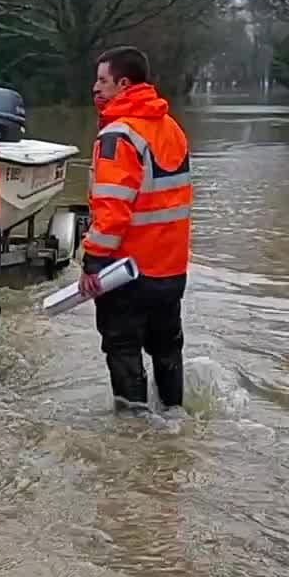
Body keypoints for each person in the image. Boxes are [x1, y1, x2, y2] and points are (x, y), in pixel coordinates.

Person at [80, 46, 193, 412]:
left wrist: (92, 262)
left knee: (123, 350)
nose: (95, 88)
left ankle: (134, 438)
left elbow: (112, 211)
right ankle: (174, 417)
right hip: (172, 270)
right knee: (167, 348)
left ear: (123, 84)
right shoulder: (171, 129)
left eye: (102, 80)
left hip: (127, 272)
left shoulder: (118, 136)